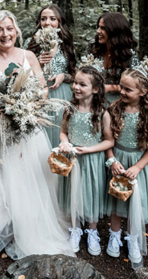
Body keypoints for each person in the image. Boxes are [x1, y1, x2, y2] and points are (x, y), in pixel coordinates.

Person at [0, 10, 74, 265]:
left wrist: (28, 108)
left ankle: (25, 229)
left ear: (17, 31)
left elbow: (42, 88)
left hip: (24, 129)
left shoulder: (28, 56)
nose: (5, 34)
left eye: (9, 28)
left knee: (24, 178)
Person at [106, 67, 148, 265]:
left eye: (128, 89)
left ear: (142, 92)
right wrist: (112, 159)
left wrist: (138, 167)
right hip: (119, 161)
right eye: (121, 87)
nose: (122, 91)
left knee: (134, 205)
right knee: (116, 201)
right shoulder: (114, 109)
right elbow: (106, 140)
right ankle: (114, 235)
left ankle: (132, 239)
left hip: (138, 165)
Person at [57, 66, 113, 256]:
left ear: (95, 89)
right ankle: (75, 229)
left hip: (92, 161)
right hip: (73, 160)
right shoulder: (69, 108)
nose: (76, 87)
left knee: (91, 194)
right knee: (73, 194)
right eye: (75, 83)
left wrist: (89, 149)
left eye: (82, 84)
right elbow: (63, 132)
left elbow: (109, 141)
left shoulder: (102, 113)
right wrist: (65, 144)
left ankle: (92, 230)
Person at [24, 4, 77, 148]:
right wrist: (37, 64)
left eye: (52, 19)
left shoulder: (66, 45)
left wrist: (63, 77)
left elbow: (75, 75)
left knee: (59, 131)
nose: (47, 22)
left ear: (59, 22)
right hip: (38, 94)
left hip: (62, 95)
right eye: (43, 19)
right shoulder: (30, 44)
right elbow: (21, 75)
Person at [90, 12, 139, 103]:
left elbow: (136, 85)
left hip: (119, 103)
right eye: (98, 27)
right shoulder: (96, 51)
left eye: (103, 28)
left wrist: (110, 88)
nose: (98, 31)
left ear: (114, 31)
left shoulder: (129, 54)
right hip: (95, 101)